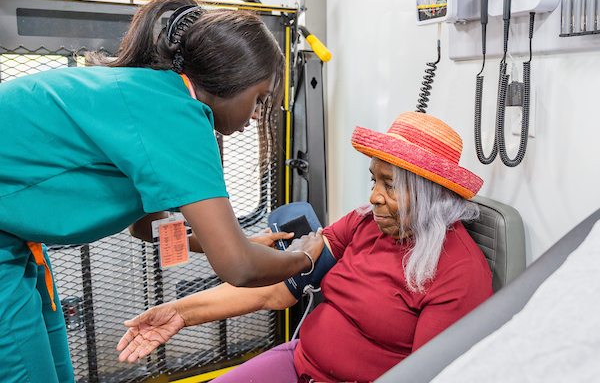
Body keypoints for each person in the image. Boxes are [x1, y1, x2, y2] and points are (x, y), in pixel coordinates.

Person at [0, 0, 324, 383]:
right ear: (230, 81)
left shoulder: (155, 94)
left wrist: (235, 241)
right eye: (259, 99)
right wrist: (304, 258)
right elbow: (237, 268)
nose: (257, 114)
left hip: (16, 237)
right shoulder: (178, 116)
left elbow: (146, 227)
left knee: (53, 370)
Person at [117, 112, 494, 383]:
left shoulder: (457, 272)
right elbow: (279, 291)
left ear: (429, 194)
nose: (374, 197)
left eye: (390, 185)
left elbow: (426, 374)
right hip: (300, 362)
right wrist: (180, 313)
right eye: (373, 180)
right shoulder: (364, 223)